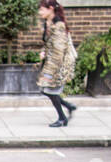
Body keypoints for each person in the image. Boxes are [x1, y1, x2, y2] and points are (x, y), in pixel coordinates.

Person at [36, 0, 77, 128]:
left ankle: (62, 118)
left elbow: (59, 51)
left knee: (49, 90)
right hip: (51, 61)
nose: (40, 12)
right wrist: (44, 52)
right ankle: (68, 107)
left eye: (42, 9)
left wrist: (51, 70)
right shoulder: (48, 23)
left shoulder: (59, 25)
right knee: (45, 89)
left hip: (58, 64)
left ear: (51, 9)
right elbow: (48, 43)